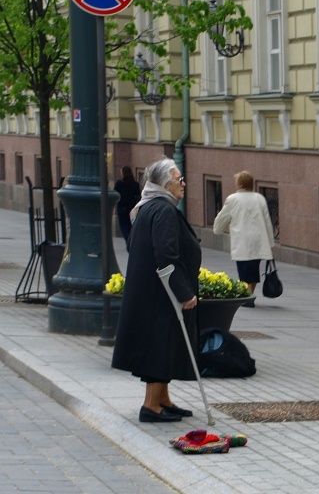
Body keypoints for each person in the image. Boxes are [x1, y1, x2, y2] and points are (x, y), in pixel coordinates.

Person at [111, 157, 201, 423]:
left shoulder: (151, 206)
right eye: (178, 179)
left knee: (165, 344)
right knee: (159, 346)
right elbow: (166, 254)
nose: (183, 183)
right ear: (164, 184)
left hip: (154, 291)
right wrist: (183, 292)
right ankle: (151, 405)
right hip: (161, 293)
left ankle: (163, 399)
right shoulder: (162, 210)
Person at [212, 170, 275, 307]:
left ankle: (247, 296)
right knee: (253, 268)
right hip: (258, 240)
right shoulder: (259, 198)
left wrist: (217, 229)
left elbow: (223, 216)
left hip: (242, 240)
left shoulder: (233, 199)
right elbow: (267, 221)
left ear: (240, 184)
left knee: (243, 269)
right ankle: (249, 294)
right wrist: (270, 241)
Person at [114, 165, 141, 250]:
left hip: (122, 208)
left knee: (124, 227)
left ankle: (129, 242)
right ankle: (131, 241)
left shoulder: (119, 183)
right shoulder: (135, 184)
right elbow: (138, 196)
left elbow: (115, 195)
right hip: (132, 208)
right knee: (130, 226)